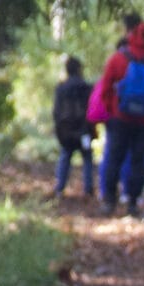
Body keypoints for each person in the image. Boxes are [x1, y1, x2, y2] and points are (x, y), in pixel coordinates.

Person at [97, 21, 144, 216]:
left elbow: (105, 88)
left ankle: (110, 202)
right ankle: (132, 204)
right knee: (138, 162)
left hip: (119, 119)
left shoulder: (118, 59)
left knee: (114, 159)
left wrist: (111, 110)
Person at [52, 56, 95, 199]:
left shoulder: (61, 88)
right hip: (84, 130)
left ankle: (60, 187)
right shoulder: (86, 87)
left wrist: (59, 127)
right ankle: (88, 189)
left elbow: (56, 111)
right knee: (87, 158)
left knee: (65, 155)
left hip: (67, 130)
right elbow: (92, 109)